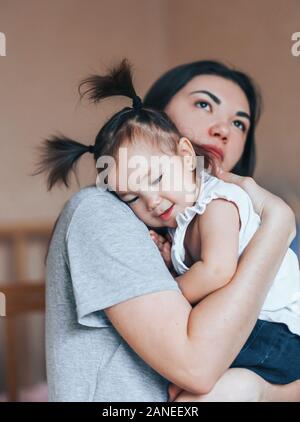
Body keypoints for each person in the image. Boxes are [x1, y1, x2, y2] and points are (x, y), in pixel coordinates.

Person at [37, 60, 300, 402]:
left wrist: (257, 389)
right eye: (204, 104)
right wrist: (279, 224)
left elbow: (215, 276)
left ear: (185, 155)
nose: (224, 129)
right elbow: (198, 367)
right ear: (154, 113)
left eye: (240, 123)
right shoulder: (101, 211)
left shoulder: (219, 208)